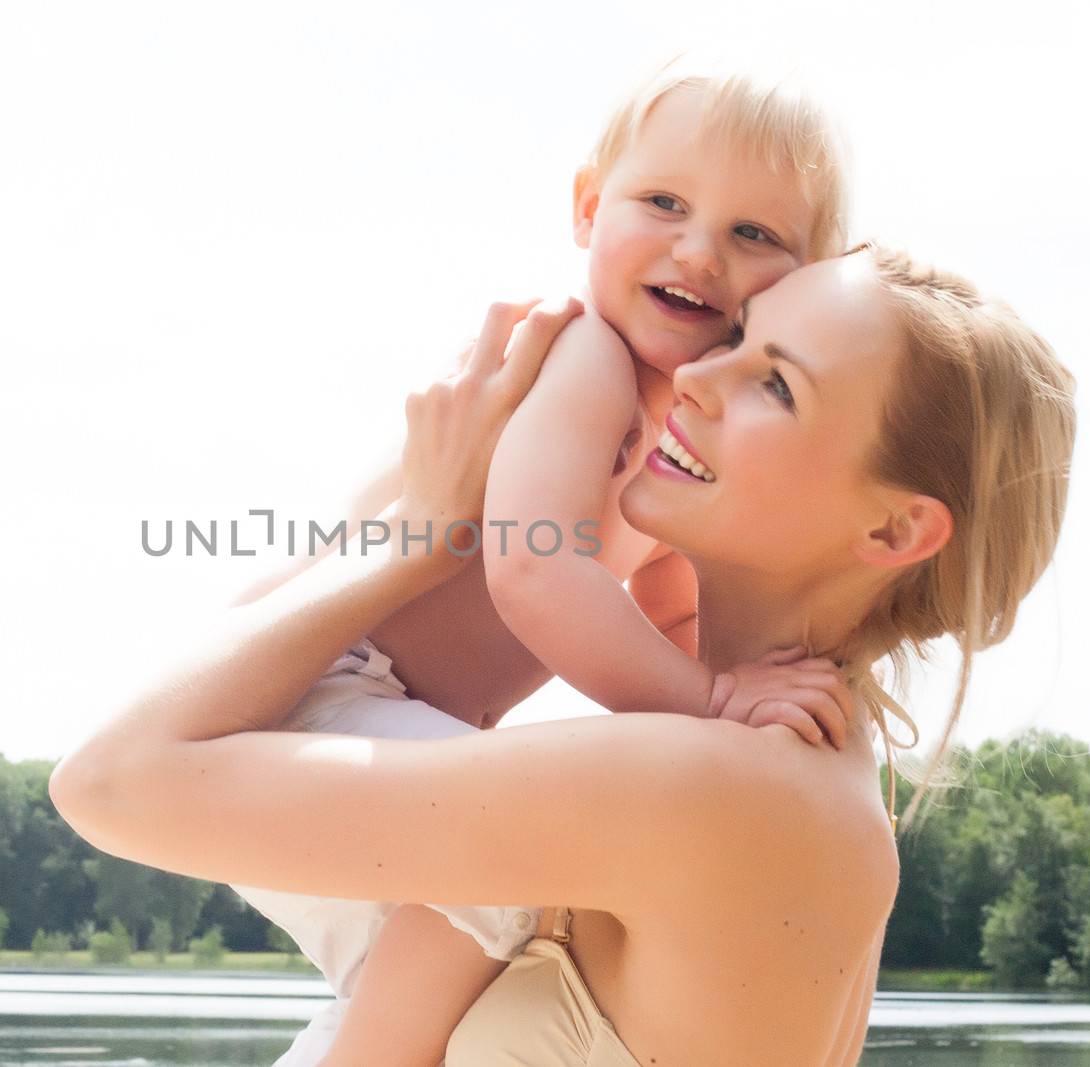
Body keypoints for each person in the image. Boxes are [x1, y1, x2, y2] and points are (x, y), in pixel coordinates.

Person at [50, 244, 1076, 1064]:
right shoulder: (810, 770)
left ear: (896, 532)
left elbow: (109, 778)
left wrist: (424, 525)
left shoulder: (727, 783)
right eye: (736, 336)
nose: (699, 376)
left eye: (777, 385)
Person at [226, 58, 856, 1065]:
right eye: (663, 203)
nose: (698, 251)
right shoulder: (583, 357)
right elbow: (537, 571)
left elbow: (658, 600)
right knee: (518, 862)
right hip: (312, 688)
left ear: (809, 277)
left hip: (381, 723)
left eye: (753, 233)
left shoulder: (681, 429)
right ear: (585, 207)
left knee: (435, 942)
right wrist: (715, 699)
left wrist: (730, 727)